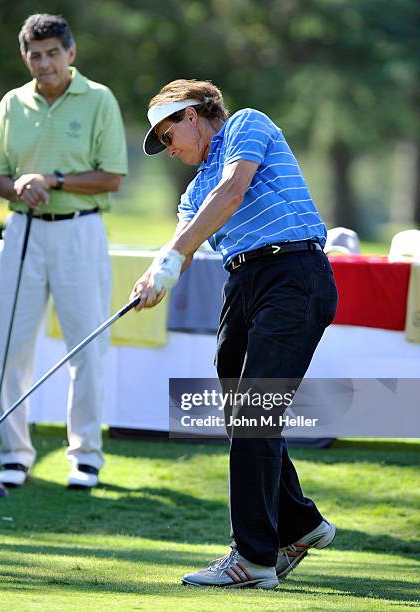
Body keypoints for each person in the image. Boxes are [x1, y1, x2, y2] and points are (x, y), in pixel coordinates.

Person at [131, 79, 339, 588]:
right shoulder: (194, 186)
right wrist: (155, 275)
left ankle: (253, 558)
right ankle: (299, 524)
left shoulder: (247, 123)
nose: (169, 147)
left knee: (255, 411)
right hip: (242, 282)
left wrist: (172, 257)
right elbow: (184, 235)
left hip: (294, 274)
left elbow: (233, 192)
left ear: (195, 115)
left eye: (169, 132)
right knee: (243, 414)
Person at [0, 14, 127, 490]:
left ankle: (85, 456)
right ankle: (14, 453)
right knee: (11, 346)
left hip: (79, 232)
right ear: (25, 57)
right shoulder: (13, 102)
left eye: (52, 53)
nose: (43, 63)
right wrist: (19, 189)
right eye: (34, 54)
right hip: (24, 230)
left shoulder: (99, 99)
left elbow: (112, 176)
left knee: (85, 347)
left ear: (71, 53)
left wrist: (51, 180)